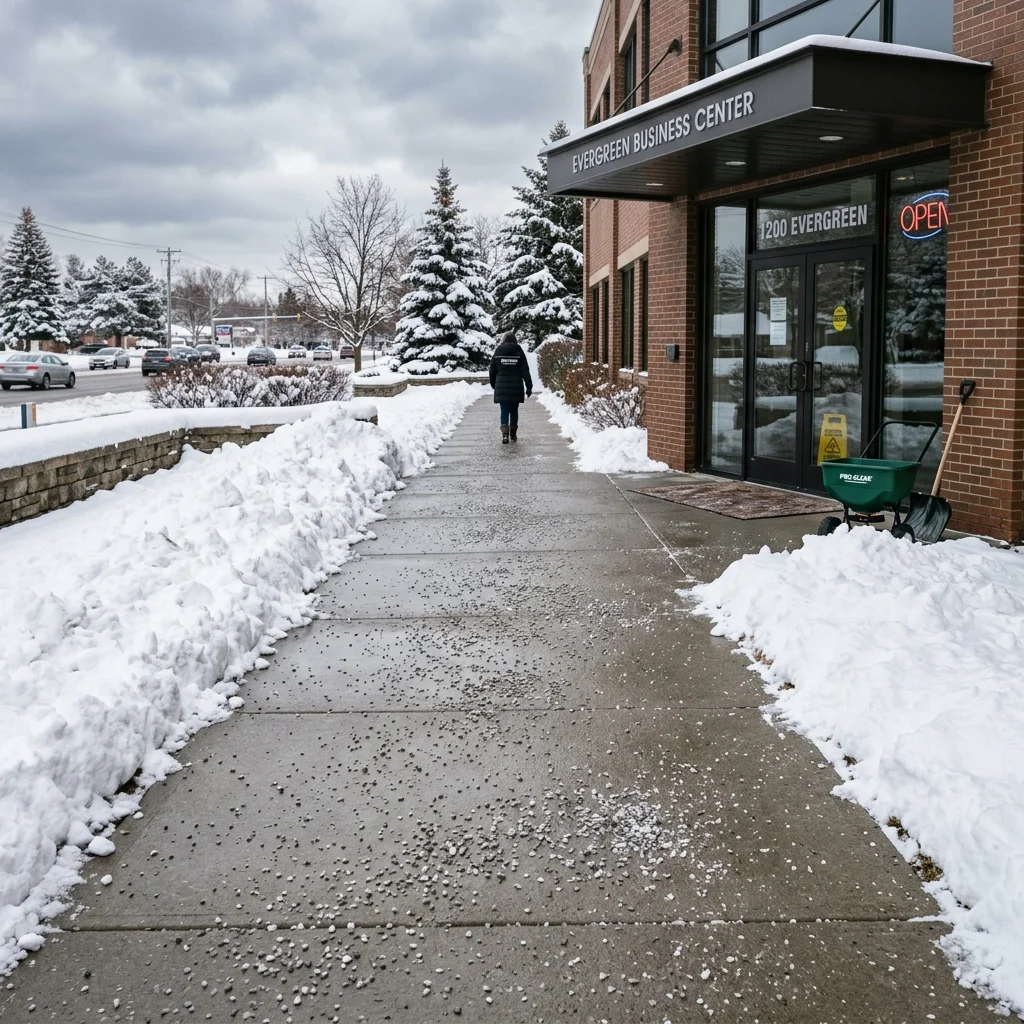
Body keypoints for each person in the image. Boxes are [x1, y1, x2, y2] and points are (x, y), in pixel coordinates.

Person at [489, 331, 532, 444]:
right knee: (514, 411)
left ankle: (505, 435)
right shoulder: (518, 350)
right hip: (516, 386)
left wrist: (494, 384)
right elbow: (525, 370)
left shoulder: (499, 350)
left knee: (504, 410)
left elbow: (492, 370)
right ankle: (513, 433)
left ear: (503, 340)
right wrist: (529, 386)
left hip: (501, 385)